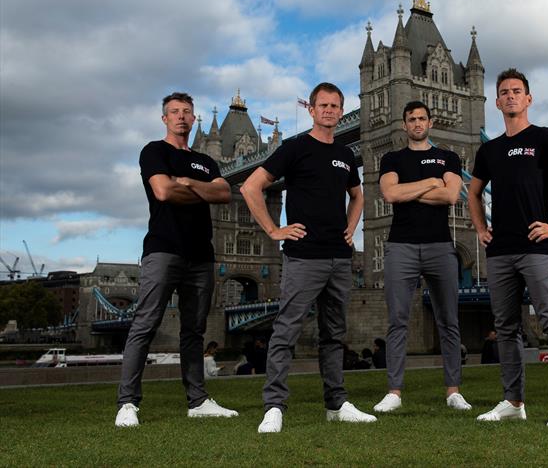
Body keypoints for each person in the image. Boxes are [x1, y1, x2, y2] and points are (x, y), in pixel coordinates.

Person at [241, 82, 376, 434]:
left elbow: (357, 197)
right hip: (303, 257)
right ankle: (273, 407)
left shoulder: (346, 154)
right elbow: (250, 186)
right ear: (312, 110)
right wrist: (273, 230)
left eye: (335, 105)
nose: (330, 111)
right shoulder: (294, 148)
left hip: (339, 257)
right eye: (324, 105)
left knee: (334, 334)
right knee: (285, 332)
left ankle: (336, 404)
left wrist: (351, 229)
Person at [468, 69, 548, 428]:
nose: (510, 97)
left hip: (536, 247)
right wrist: (479, 228)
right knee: (505, 328)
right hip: (499, 250)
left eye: (516, 91)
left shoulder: (546, 138)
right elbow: (473, 192)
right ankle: (513, 401)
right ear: (496, 101)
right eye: (504, 92)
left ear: (528, 98)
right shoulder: (488, 150)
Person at [115, 92, 238, 428]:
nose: (181, 116)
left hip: (202, 255)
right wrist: (200, 189)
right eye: (174, 112)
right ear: (164, 118)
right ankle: (127, 403)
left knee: (194, 331)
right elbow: (163, 192)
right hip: (163, 249)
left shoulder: (206, 160)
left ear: (194, 118)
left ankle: (197, 401)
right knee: (144, 325)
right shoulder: (154, 151)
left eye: (186, 111)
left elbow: (225, 193)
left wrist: (187, 182)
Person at [372, 100, 471, 413]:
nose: (417, 123)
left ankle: (453, 391)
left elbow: (451, 195)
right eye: (411, 119)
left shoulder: (449, 157)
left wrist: (409, 191)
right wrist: (431, 182)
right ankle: (394, 392)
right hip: (400, 246)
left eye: (422, 118)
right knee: (397, 321)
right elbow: (389, 194)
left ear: (431, 122)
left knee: (449, 321)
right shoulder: (391, 157)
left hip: (441, 246)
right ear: (405, 125)